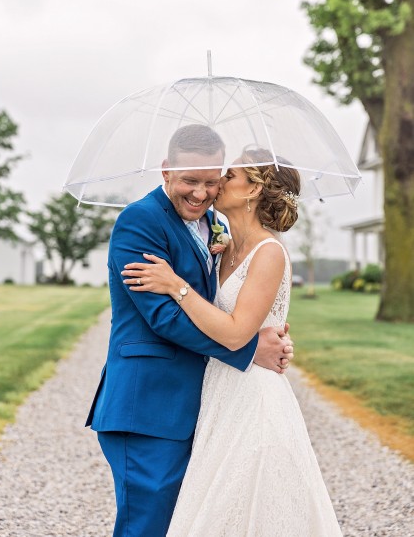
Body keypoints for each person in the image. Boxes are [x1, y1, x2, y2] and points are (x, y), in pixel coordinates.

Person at [123, 147, 343, 537]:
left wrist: (175, 285)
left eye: (229, 176)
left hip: (254, 397)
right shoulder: (224, 249)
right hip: (221, 390)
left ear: (253, 190)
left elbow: (237, 332)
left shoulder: (269, 252)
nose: (216, 184)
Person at [86, 127, 294, 537]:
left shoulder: (215, 225)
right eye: (189, 181)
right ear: (166, 171)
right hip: (147, 406)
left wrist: (268, 332)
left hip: (201, 405)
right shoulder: (140, 221)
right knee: (147, 526)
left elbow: (230, 304)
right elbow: (162, 317)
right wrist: (248, 349)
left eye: (212, 181)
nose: (201, 194)